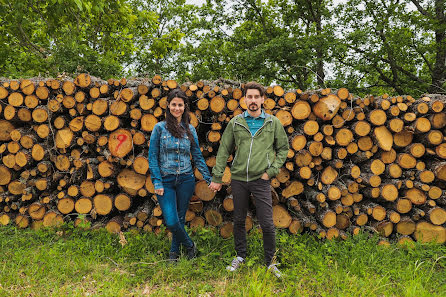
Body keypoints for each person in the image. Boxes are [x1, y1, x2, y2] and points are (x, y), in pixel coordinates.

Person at [209, 81, 289, 277]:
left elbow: (283, 149)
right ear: (244, 99)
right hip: (238, 179)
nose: (253, 100)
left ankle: (271, 262)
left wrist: (270, 172)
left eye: (256, 97)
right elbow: (223, 150)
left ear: (263, 99)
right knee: (238, 220)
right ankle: (240, 256)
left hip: (261, 180)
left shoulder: (273, 122)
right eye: (249, 97)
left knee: (267, 223)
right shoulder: (236, 123)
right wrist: (217, 176)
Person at [148, 89, 212, 262]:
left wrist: (208, 178)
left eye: (180, 105)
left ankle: (173, 254)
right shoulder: (159, 128)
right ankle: (190, 245)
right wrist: (157, 181)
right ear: (168, 106)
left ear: (185, 107)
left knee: (181, 218)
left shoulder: (190, 129)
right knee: (171, 220)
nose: (177, 108)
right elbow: (152, 157)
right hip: (166, 181)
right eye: (174, 104)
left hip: (186, 180)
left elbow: (197, 155)